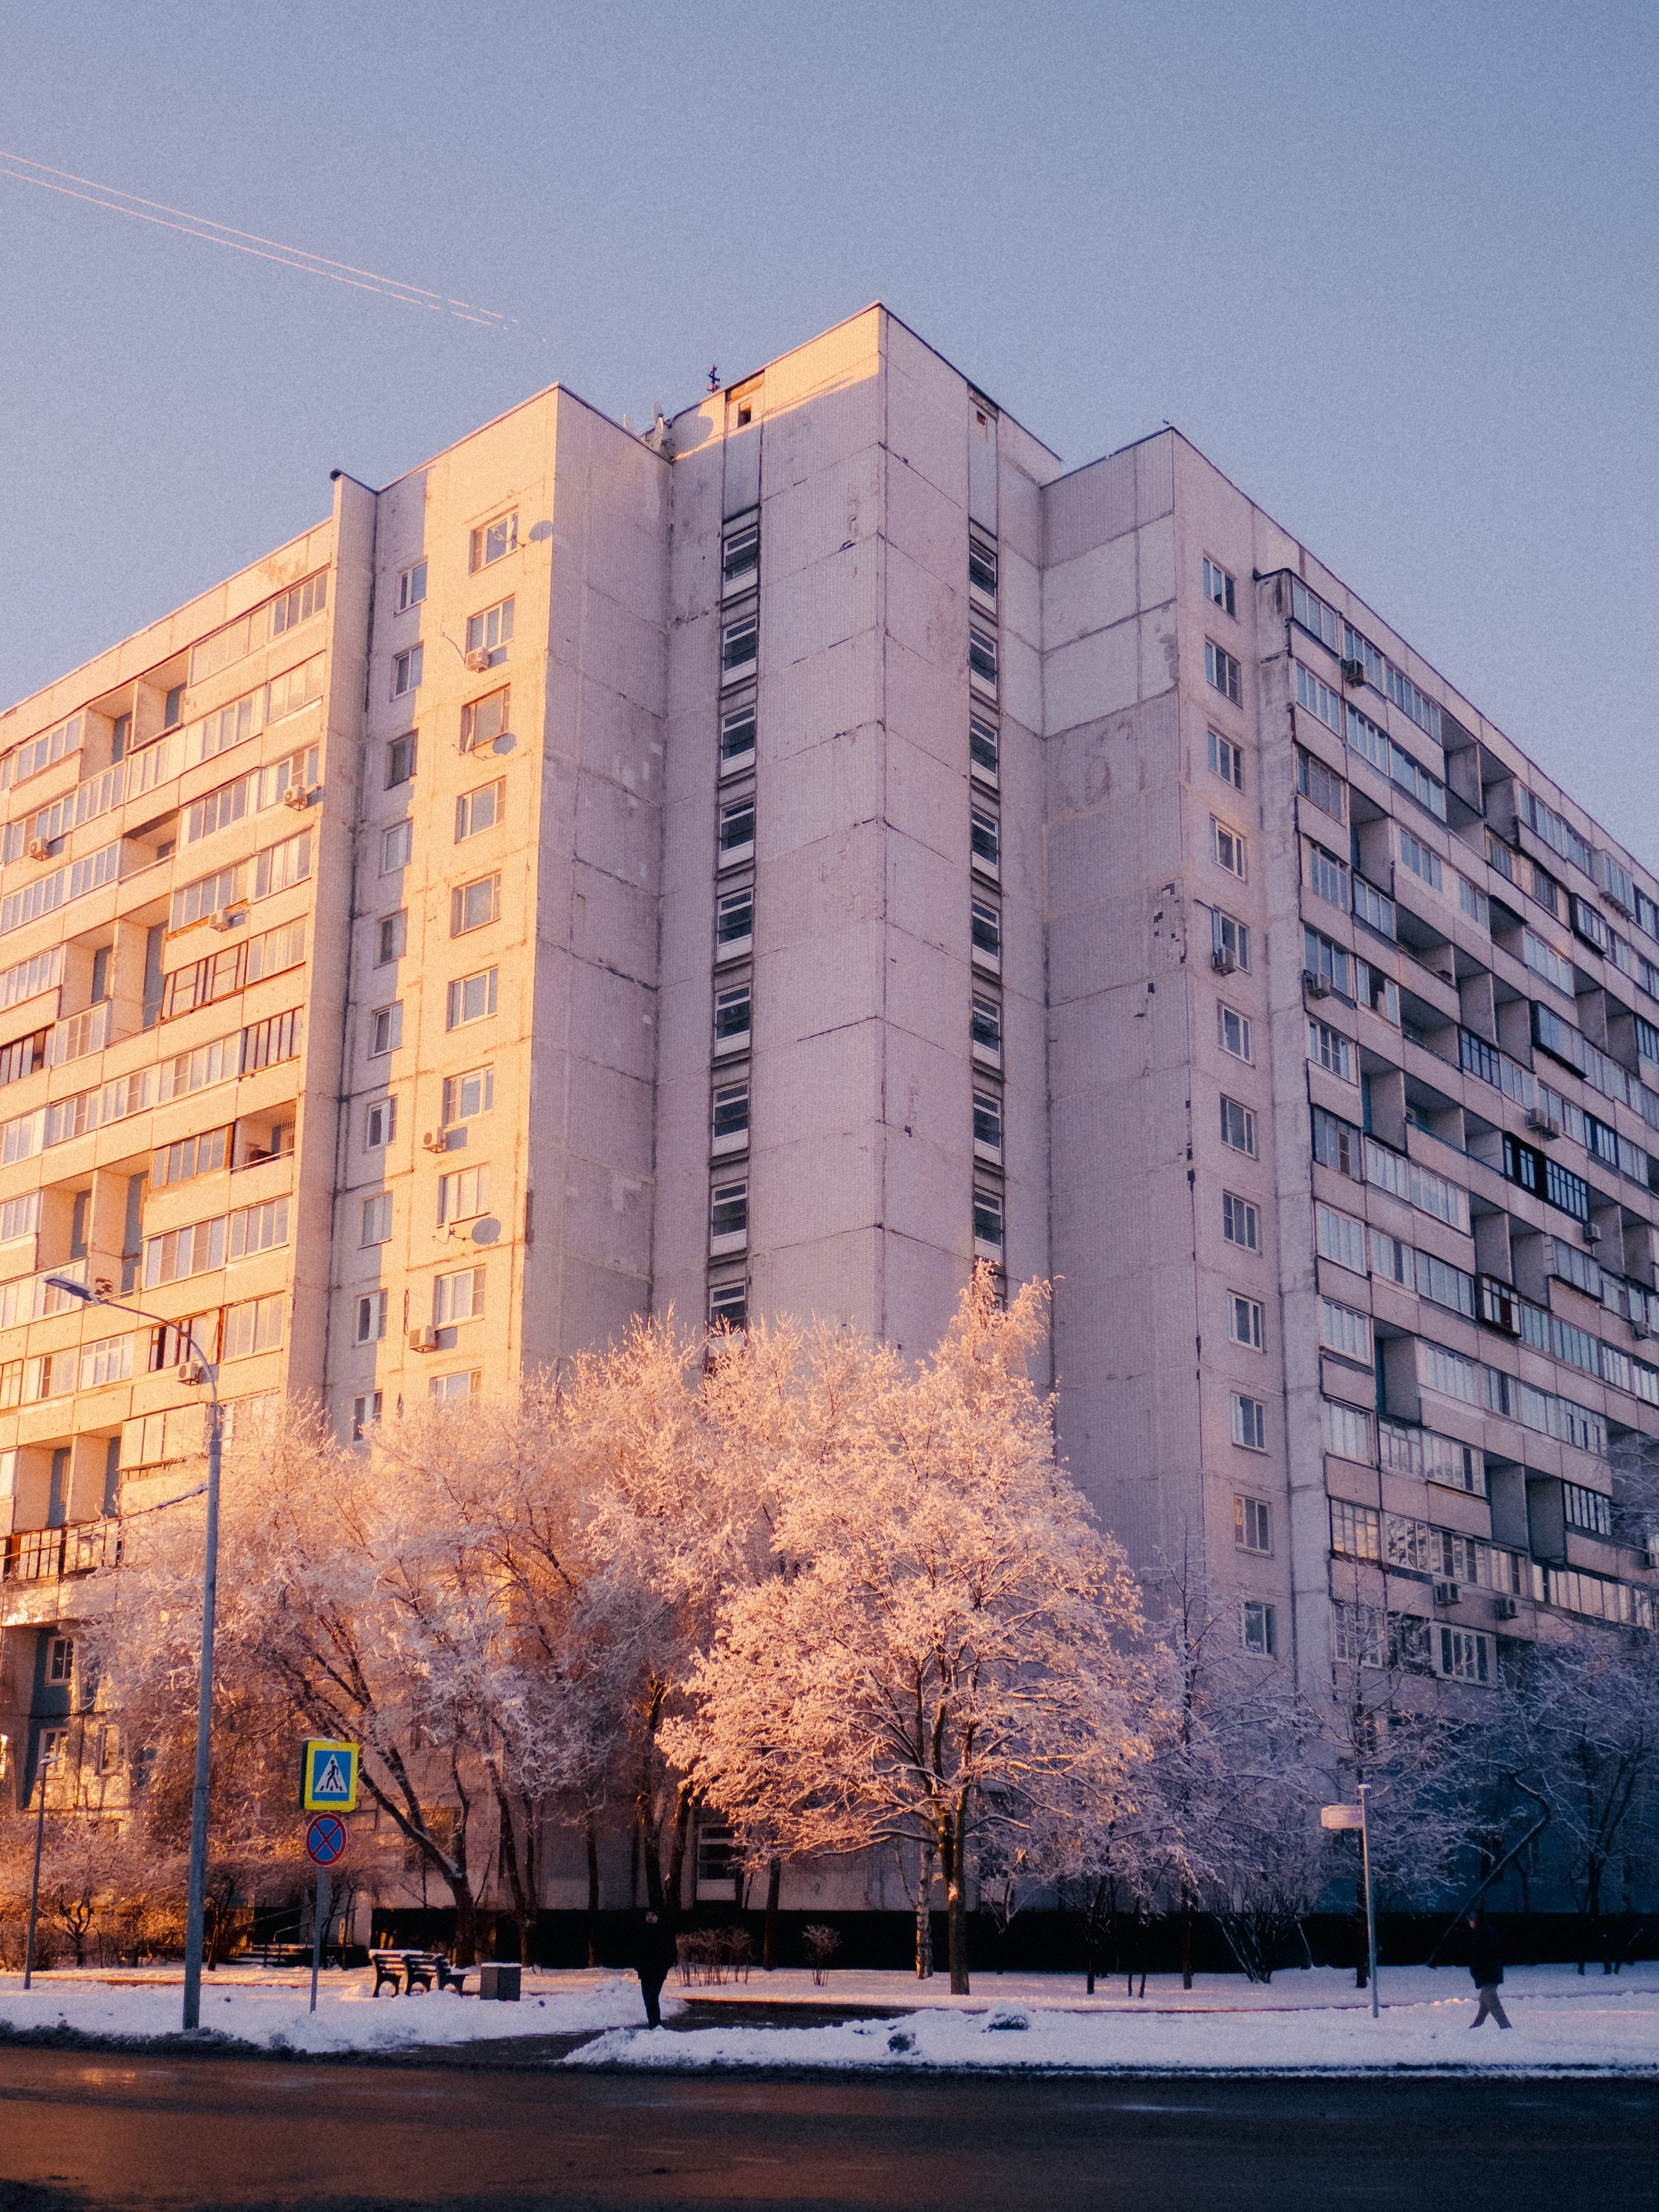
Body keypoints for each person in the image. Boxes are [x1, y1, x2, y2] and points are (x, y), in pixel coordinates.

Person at [634, 1906, 679, 2029]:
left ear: (657, 1917)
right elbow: (636, 1950)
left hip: (658, 1972)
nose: (649, 1918)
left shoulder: (664, 1931)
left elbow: (671, 1951)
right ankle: (653, 2025)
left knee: (652, 1998)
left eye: (652, 1915)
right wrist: (638, 1966)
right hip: (645, 1972)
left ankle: (656, 2025)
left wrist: (665, 1966)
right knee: (647, 1999)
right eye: (648, 1915)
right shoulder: (642, 1931)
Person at [1467, 1911, 1511, 2029]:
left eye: (1470, 1922)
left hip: (1487, 1973)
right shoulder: (1489, 1931)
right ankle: (1477, 2025)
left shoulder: (1480, 1934)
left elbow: (1478, 1955)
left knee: (1492, 2001)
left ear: (1474, 1921)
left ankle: (1506, 2027)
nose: (1470, 1924)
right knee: (1484, 1999)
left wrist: (1477, 1971)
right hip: (1492, 1971)